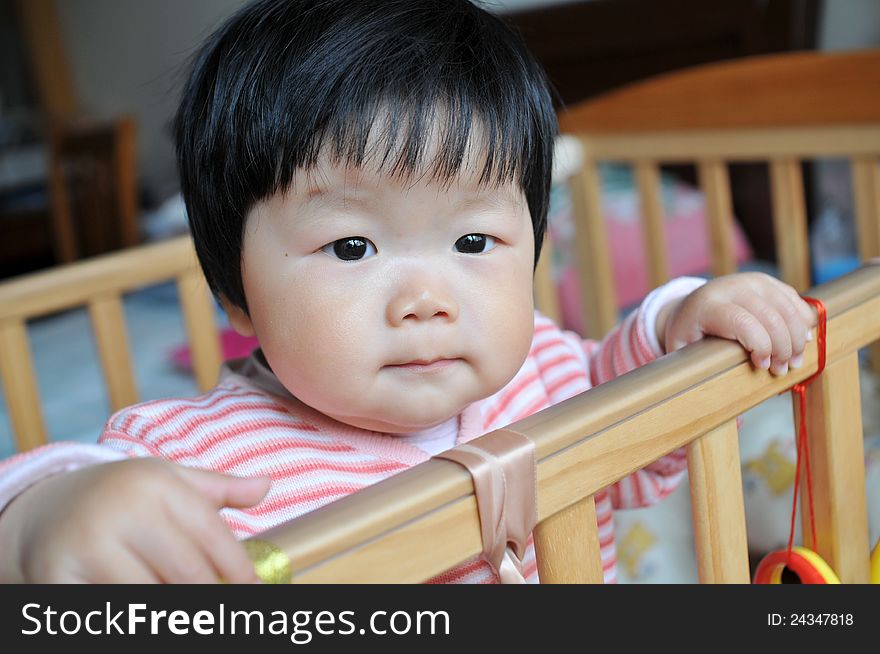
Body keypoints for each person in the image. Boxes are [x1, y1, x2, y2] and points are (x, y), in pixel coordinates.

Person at [0, 0, 814, 583]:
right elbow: (73, 488)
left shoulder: (547, 380)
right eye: (352, 246)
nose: (426, 298)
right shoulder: (212, 465)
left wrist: (682, 317)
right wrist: (46, 518)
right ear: (234, 291)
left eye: (473, 241)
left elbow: (632, 401)